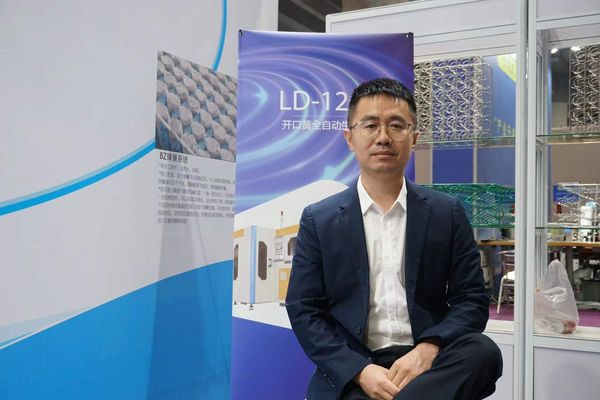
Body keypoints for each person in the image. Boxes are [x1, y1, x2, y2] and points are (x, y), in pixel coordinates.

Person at [285, 78, 502, 400]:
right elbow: (304, 309)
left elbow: (471, 299)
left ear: (413, 138)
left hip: (426, 362)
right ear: (350, 138)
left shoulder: (446, 212)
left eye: (397, 126)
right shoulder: (320, 219)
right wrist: (360, 371)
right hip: (358, 366)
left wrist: (428, 348)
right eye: (370, 125)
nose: (383, 137)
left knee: (483, 352)